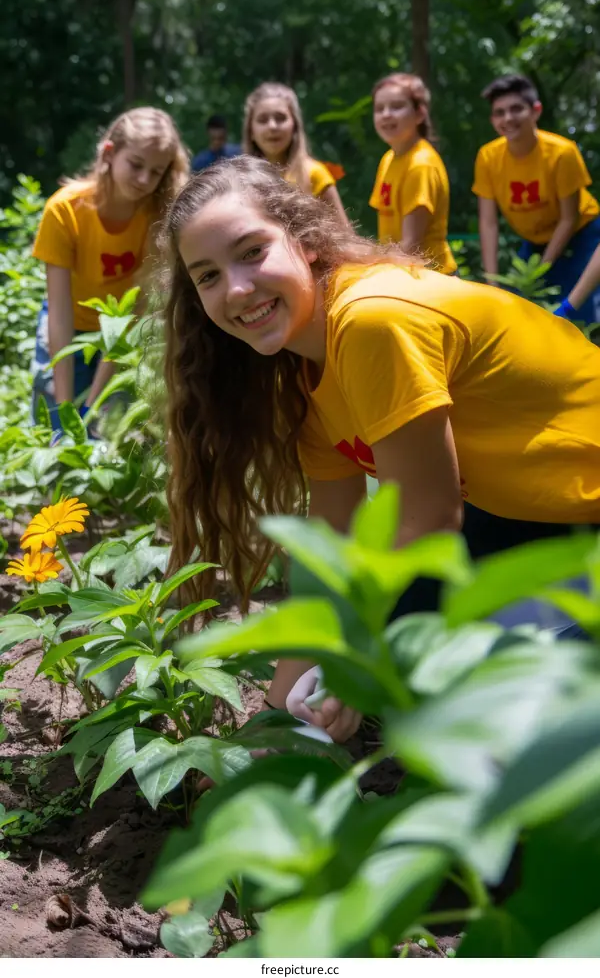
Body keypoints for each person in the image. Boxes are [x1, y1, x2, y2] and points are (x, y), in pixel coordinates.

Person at [161, 155, 600, 742]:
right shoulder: (305, 371)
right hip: (527, 518)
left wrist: (352, 662)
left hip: (573, 519)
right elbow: (329, 552)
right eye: (207, 276)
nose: (236, 288)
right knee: (369, 645)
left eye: (251, 251)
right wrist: (268, 733)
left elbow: (430, 518)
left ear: (307, 240)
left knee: (477, 731)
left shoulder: (373, 323)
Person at [32, 107, 189, 431]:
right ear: (109, 153)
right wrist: (64, 411)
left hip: (118, 331)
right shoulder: (64, 211)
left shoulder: (157, 215)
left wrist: (94, 401)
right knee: (50, 429)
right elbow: (58, 313)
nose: (145, 179)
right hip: (66, 326)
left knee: (105, 428)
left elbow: (136, 308)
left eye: (156, 171)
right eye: (136, 165)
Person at [473, 73, 600, 323]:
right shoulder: (488, 157)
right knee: (523, 309)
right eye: (499, 112)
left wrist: (544, 267)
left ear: (536, 110)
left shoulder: (562, 153)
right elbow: (488, 223)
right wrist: (491, 281)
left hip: (580, 234)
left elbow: (569, 218)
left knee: (578, 316)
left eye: (516, 109)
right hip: (533, 241)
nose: (507, 118)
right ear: (492, 119)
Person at [369, 73, 456, 274]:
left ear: (419, 114)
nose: (386, 114)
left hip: (433, 278)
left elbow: (410, 245)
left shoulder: (420, 164)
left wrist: (369, 265)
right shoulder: (388, 159)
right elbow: (388, 235)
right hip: (403, 274)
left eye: (397, 106)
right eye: (379, 109)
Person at [242, 82, 349, 226]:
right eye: (262, 120)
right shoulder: (241, 180)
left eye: (280, 118)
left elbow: (346, 240)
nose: (272, 126)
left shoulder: (314, 174)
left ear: (295, 126)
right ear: (251, 132)